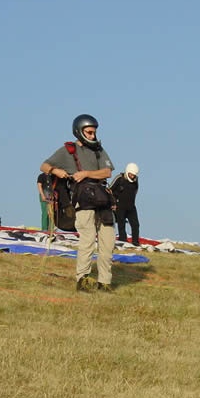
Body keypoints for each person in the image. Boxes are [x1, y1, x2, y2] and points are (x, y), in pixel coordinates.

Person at [40, 114, 116, 293]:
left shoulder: (99, 149)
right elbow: (44, 166)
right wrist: (56, 170)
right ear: (79, 131)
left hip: (102, 199)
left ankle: (105, 282)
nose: (92, 135)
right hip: (82, 200)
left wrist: (86, 174)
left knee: (108, 242)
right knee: (88, 239)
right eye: (89, 132)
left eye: (94, 132)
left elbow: (107, 172)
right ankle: (83, 278)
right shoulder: (68, 150)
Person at [110, 163, 141, 246]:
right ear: (127, 172)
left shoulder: (136, 180)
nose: (132, 176)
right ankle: (122, 240)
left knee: (135, 224)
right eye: (131, 174)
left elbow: (136, 190)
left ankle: (135, 242)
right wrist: (113, 203)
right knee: (121, 224)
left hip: (131, 206)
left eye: (134, 175)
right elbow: (109, 190)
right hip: (120, 206)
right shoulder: (119, 178)